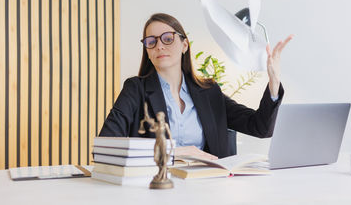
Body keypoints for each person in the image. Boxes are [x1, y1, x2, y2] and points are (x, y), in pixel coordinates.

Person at [99, 13, 293, 159]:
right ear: (147, 50)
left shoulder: (209, 92)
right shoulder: (136, 89)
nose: (159, 46)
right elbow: (106, 145)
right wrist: (177, 152)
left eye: (167, 38)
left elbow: (260, 128)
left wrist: (274, 82)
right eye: (151, 41)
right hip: (156, 187)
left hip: (205, 188)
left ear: (185, 45)